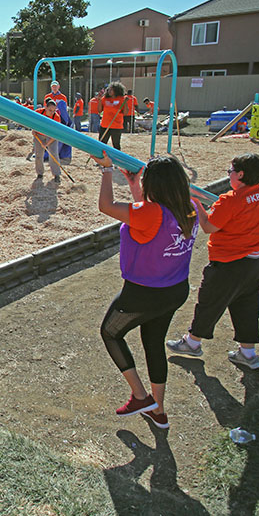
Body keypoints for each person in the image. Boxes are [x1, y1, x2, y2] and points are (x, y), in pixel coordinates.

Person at [90, 152, 199, 429]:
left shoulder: (150, 213)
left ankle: (140, 396)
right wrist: (135, 184)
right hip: (174, 289)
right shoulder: (190, 207)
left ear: (155, 185)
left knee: (110, 332)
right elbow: (151, 214)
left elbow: (107, 206)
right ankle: (158, 410)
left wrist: (106, 170)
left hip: (144, 293)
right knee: (153, 343)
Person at [167, 153, 259, 370]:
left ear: (241, 174)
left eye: (230, 172)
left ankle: (192, 342)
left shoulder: (231, 200)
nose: (229, 176)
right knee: (247, 303)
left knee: (210, 301)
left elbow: (209, 226)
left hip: (232, 262)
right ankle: (247, 352)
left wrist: (196, 203)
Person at [32, 98, 64, 186]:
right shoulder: (38, 112)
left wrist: (47, 144)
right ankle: (40, 173)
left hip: (51, 136)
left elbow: (56, 134)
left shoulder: (56, 117)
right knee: (38, 155)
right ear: (45, 107)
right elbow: (32, 122)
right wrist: (33, 130)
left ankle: (56, 174)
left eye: (54, 110)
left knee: (53, 154)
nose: (52, 112)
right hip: (39, 135)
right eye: (50, 110)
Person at [98, 82, 131, 150]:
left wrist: (125, 103)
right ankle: (101, 158)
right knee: (101, 143)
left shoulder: (122, 99)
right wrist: (100, 100)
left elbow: (125, 113)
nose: (109, 91)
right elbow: (99, 110)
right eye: (108, 89)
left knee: (116, 145)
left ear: (116, 90)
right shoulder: (105, 99)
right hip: (105, 125)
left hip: (116, 126)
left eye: (111, 90)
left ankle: (116, 159)